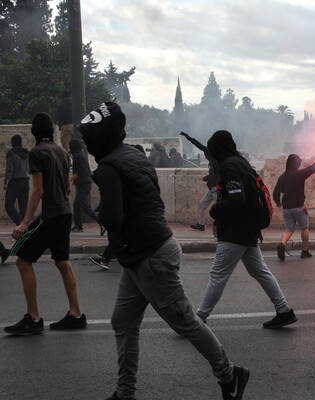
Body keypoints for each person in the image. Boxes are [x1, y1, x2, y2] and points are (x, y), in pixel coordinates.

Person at [78, 103, 249, 400]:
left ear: (98, 137)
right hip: (144, 251)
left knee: (185, 322)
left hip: (149, 256)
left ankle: (229, 373)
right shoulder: (132, 154)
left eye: (88, 138)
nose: (87, 144)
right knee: (123, 321)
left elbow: (114, 216)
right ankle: (125, 392)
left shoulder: (107, 167)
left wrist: (100, 214)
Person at [196, 129, 297, 329]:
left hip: (236, 230)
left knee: (218, 275)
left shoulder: (229, 167)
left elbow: (236, 197)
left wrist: (215, 210)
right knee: (259, 271)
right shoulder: (242, 163)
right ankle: (284, 310)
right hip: (247, 228)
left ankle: (198, 319)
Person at [4, 112, 87, 336]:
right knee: (62, 261)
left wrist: (24, 222)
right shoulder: (62, 152)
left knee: (22, 261)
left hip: (51, 217)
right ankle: (76, 314)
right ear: (52, 131)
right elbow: (68, 188)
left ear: (34, 132)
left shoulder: (38, 153)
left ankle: (33, 317)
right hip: (65, 213)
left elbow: (38, 189)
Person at [273, 149, 315, 260]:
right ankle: (305, 251)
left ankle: (282, 244)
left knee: (288, 229)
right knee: (304, 227)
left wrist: (278, 202)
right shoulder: (300, 174)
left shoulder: (282, 177)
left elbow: (276, 192)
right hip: (299, 207)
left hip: (286, 208)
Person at [180, 131, 219, 231]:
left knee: (218, 206)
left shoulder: (215, 160)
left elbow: (216, 176)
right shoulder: (213, 159)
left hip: (216, 187)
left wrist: (207, 178)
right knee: (202, 204)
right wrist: (188, 137)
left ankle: (219, 225)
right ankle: (201, 224)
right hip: (211, 187)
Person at [68, 139, 104, 234]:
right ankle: (78, 226)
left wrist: (70, 179)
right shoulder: (81, 154)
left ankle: (102, 223)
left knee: (84, 207)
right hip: (84, 183)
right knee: (76, 205)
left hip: (83, 184)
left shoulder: (77, 157)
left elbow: (80, 172)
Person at [4, 134, 30, 225]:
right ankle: (24, 227)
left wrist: (6, 182)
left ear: (12, 143)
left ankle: (19, 223)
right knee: (23, 207)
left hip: (15, 181)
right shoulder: (27, 153)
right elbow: (29, 168)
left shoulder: (11, 153)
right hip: (26, 180)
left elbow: (9, 170)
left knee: (9, 204)